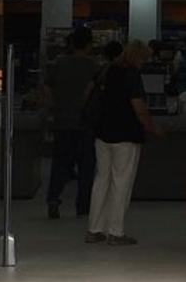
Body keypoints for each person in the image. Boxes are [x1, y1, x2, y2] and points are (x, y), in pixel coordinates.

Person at [87, 39, 159, 246]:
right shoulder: (131, 74)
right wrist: (151, 127)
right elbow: (138, 106)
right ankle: (115, 232)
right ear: (139, 57)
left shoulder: (107, 70)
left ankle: (94, 229)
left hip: (102, 133)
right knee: (121, 182)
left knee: (101, 180)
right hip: (126, 135)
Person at [45, 26, 99, 219]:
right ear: (89, 44)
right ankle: (82, 206)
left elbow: (47, 87)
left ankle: (53, 198)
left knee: (60, 163)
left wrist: (55, 105)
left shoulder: (59, 63)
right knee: (86, 167)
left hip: (62, 120)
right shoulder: (94, 66)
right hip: (86, 123)